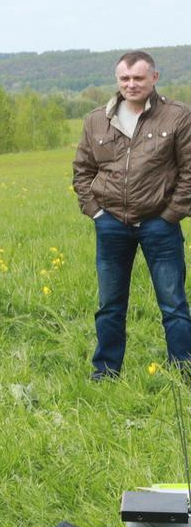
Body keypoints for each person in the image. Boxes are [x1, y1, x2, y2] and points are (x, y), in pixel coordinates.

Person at [73, 49, 191, 379]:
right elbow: (82, 170)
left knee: (174, 305)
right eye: (125, 78)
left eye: (138, 77)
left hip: (159, 223)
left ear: (154, 78)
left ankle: (184, 373)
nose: (131, 84)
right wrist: (95, 212)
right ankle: (106, 374)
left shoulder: (177, 117)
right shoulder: (97, 119)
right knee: (110, 305)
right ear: (117, 80)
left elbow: (189, 173)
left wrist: (170, 215)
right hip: (111, 224)